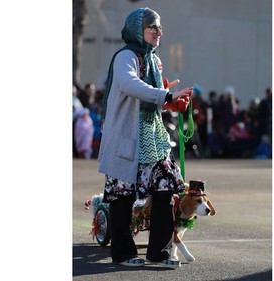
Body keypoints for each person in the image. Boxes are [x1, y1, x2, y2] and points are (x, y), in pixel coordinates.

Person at [97, 7, 193, 269]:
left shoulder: (154, 60)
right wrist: (167, 96)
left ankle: (159, 252)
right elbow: (130, 85)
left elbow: (154, 100)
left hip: (153, 135)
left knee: (165, 188)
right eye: (153, 27)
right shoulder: (126, 57)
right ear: (138, 30)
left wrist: (172, 105)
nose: (159, 32)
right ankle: (123, 252)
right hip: (127, 137)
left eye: (160, 27)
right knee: (122, 196)